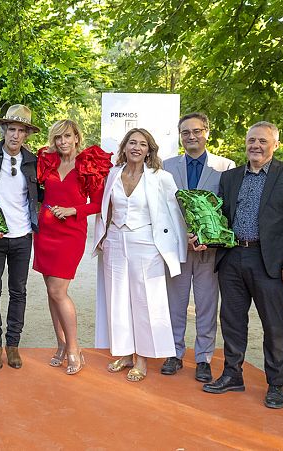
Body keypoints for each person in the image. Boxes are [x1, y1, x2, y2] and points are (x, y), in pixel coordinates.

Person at [203, 121, 283, 409]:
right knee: (232, 321)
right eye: (252, 140)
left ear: (275, 145)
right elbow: (220, 218)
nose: (256, 145)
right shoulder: (231, 177)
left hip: (271, 263)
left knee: (274, 326)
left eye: (263, 141)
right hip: (233, 257)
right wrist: (204, 236)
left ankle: (276, 385)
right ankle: (232, 374)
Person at [93, 128, 187, 382]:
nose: (136, 147)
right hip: (115, 241)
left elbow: (174, 213)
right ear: (124, 147)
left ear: (149, 150)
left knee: (145, 301)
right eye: (132, 142)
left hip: (147, 243)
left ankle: (142, 359)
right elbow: (106, 208)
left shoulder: (161, 177)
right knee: (118, 299)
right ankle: (124, 354)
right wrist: (101, 236)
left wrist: (178, 247)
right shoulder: (113, 174)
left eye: (142, 144)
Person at [161, 113, 235, 382]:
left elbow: (227, 209)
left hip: (210, 250)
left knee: (206, 305)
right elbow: (164, 210)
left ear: (207, 132)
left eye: (196, 131)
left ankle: (203, 358)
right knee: (175, 304)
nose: (191, 136)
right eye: (185, 132)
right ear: (180, 136)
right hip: (178, 247)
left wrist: (208, 237)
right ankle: (174, 353)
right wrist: (184, 235)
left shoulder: (225, 167)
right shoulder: (166, 166)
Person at [34, 119, 110, 375]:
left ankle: (74, 348)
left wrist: (72, 210)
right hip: (45, 233)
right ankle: (61, 344)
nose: (63, 142)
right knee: (50, 290)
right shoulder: (49, 161)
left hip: (70, 234)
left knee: (58, 290)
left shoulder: (88, 164)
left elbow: (99, 204)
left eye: (67, 136)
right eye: (58, 138)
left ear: (77, 137)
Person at [0, 104, 40, 370]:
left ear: (27, 135)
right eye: (11, 129)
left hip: (23, 236)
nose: (15, 135)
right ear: (4, 130)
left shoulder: (33, 161)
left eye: (21, 130)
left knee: (19, 291)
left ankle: (12, 344)